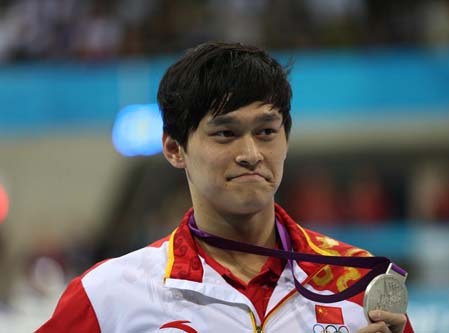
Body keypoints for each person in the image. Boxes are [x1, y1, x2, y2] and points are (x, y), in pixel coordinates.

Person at [37, 41, 413, 333]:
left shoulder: (359, 281)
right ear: (174, 148)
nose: (251, 154)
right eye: (225, 133)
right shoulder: (109, 294)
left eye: (266, 132)